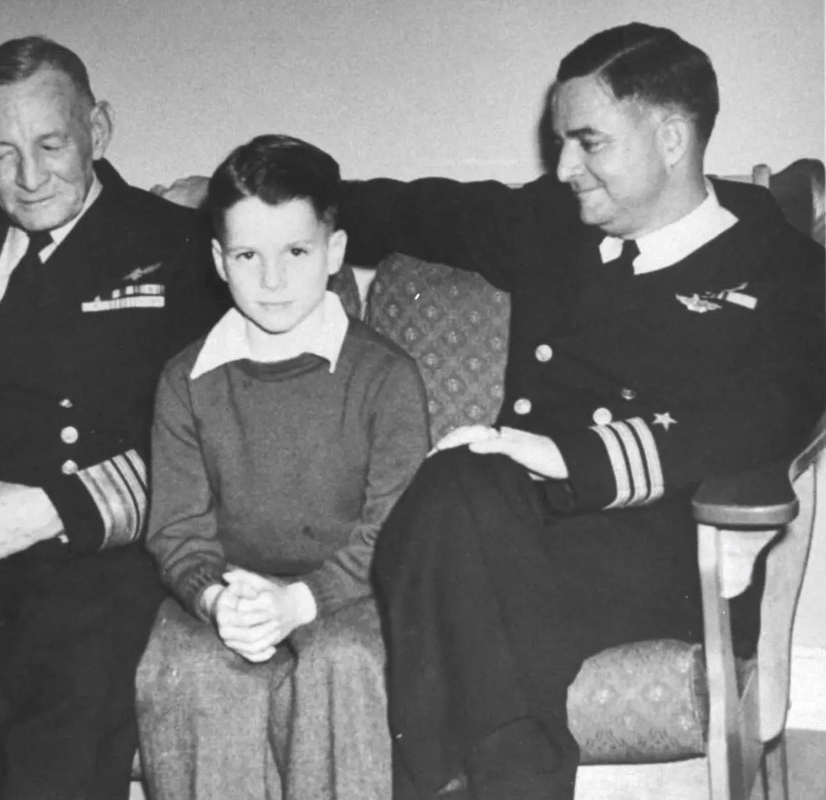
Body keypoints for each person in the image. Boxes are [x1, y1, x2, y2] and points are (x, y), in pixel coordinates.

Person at [336, 22, 825, 800]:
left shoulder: (782, 267)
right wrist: (263, 194)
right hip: (505, 520)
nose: (563, 167)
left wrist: (573, 458)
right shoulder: (550, 227)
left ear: (670, 137)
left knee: (454, 566)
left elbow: (770, 415)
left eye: (588, 142)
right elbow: (415, 211)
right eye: (561, 142)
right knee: (458, 481)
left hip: (664, 541)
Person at [0, 35, 227, 800]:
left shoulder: (180, 248)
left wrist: (52, 510)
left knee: (71, 675)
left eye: (51, 144)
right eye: (2, 153)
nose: (30, 177)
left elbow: (207, 445)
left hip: (108, 550)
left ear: (98, 131)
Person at [135, 134, 430, 800]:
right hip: (231, 589)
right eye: (247, 255)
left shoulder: (385, 378)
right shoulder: (186, 379)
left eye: (295, 252)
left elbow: (395, 530)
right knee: (186, 670)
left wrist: (300, 602)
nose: (271, 280)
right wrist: (216, 600)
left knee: (342, 662)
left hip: (356, 594)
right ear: (218, 260)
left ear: (334, 251)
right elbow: (177, 531)